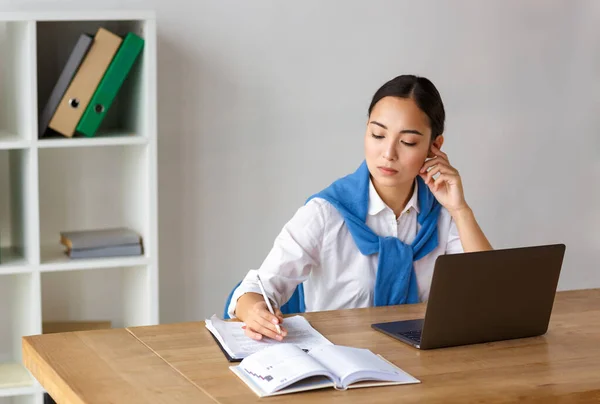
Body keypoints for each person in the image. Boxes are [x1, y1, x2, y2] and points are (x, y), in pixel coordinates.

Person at [226, 74, 492, 342]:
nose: (388, 153)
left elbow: (490, 295)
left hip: (422, 364)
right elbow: (255, 290)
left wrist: (460, 210)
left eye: (408, 142)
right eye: (377, 134)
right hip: (340, 362)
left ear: (435, 146)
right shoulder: (326, 213)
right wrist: (256, 311)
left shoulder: (442, 215)